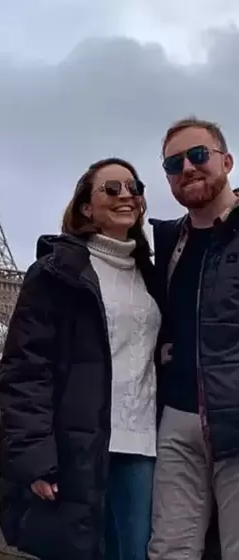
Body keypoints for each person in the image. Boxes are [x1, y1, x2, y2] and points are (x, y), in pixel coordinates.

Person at [0, 157, 161, 560]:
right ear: (87, 207)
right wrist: (36, 457)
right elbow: (25, 369)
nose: (126, 195)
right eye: (111, 188)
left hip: (141, 445)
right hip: (77, 449)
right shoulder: (55, 273)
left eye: (133, 187)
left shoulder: (151, 274)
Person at [148, 116, 239, 560]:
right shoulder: (168, 243)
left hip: (236, 418)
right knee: (170, 551)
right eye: (173, 163)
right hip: (177, 419)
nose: (187, 167)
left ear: (227, 161)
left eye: (198, 155)